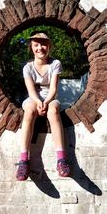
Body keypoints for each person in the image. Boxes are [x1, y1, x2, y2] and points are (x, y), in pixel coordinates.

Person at [16, 31, 70, 181]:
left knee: (53, 111)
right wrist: (38, 102)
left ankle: (61, 158)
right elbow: (30, 90)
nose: (40, 48)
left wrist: (45, 102)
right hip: (33, 98)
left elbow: (53, 88)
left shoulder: (55, 64)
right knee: (29, 112)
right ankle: (23, 159)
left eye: (44, 44)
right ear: (31, 47)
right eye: (36, 45)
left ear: (49, 46)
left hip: (50, 98)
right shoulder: (27, 67)